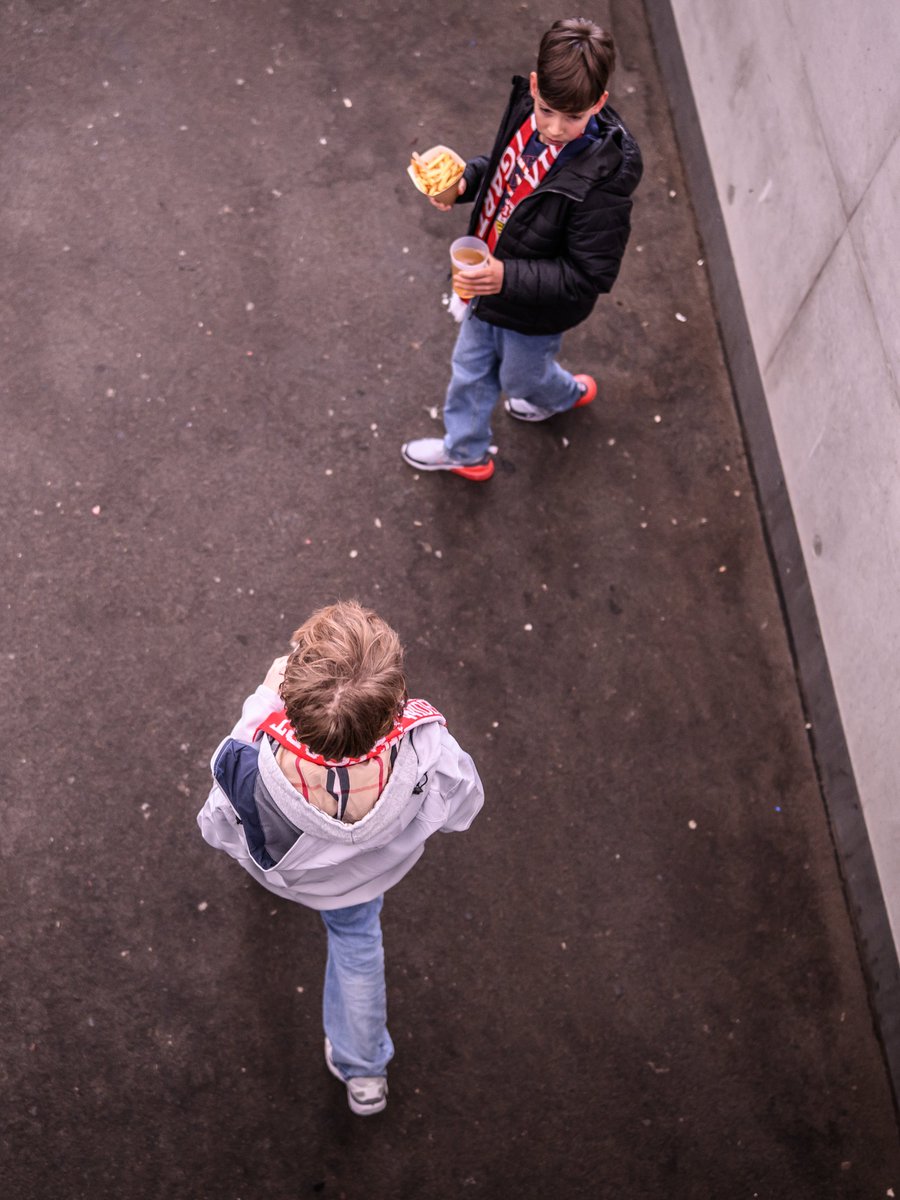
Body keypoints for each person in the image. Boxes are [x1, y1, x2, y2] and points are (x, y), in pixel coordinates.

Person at [197, 601, 483, 1115]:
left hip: (292, 874)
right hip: (369, 878)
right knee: (356, 942)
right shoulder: (426, 742)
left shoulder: (249, 763)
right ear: (395, 702)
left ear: (292, 696)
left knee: (350, 937)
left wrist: (263, 702)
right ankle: (363, 1070)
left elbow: (217, 828)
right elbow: (461, 803)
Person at [402, 17, 643, 482]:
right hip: (485, 284)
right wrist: (465, 183)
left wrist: (506, 278)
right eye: (547, 110)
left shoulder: (603, 183)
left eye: (573, 118)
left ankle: (563, 394)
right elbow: (504, 171)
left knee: (521, 381)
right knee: (469, 372)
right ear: (534, 87)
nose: (554, 129)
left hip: (534, 309)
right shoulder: (523, 114)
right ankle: (466, 452)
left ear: (599, 103)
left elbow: (591, 275)